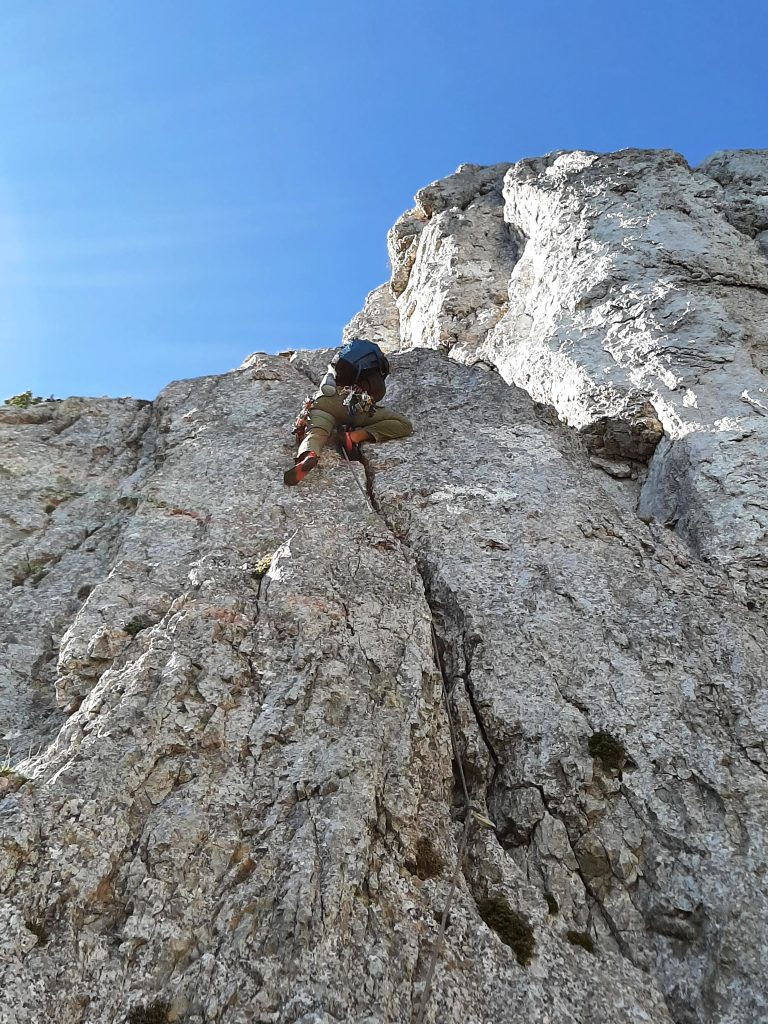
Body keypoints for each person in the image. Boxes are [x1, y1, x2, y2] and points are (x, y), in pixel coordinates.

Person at [284, 339, 413, 486]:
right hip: (354, 405)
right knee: (403, 424)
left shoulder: (336, 367)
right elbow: (378, 392)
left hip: (322, 403)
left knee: (316, 433)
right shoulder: (372, 370)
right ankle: (353, 437)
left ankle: (309, 455)